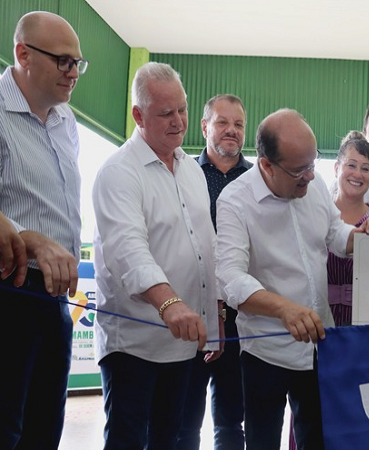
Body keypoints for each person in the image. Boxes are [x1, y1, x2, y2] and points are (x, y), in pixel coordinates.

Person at [215, 109, 369, 450]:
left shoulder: (314, 181)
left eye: (313, 164)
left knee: (318, 439)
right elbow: (231, 277)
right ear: (266, 166)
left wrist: (358, 238)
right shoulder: (235, 201)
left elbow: (334, 231)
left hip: (321, 344)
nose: (310, 177)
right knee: (263, 441)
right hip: (266, 351)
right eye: (298, 171)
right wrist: (284, 310)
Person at [93, 62, 220, 450]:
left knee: (171, 440)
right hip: (134, 345)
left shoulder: (191, 170)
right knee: (129, 441)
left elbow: (205, 251)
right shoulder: (119, 172)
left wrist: (212, 327)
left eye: (182, 109)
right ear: (138, 115)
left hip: (183, 345)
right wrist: (170, 304)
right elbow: (128, 250)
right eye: (166, 113)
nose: (179, 121)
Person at [0, 11, 85, 450]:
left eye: (78, 64)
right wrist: (24, 235)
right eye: (63, 61)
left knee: (43, 429)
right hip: (10, 292)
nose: (73, 73)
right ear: (23, 54)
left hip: (54, 301)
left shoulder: (66, 121)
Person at [177, 94, 252, 450]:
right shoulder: (181, 174)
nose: (231, 131)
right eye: (223, 122)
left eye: (238, 124)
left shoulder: (258, 180)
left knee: (231, 419)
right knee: (184, 420)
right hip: (190, 312)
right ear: (205, 126)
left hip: (242, 316)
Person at [328, 131, 369, 326]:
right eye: (351, 165)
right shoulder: (317, 215)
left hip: (364, 326)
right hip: (317, 322)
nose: (357, 174)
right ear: (336, 168)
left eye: (365, 168)